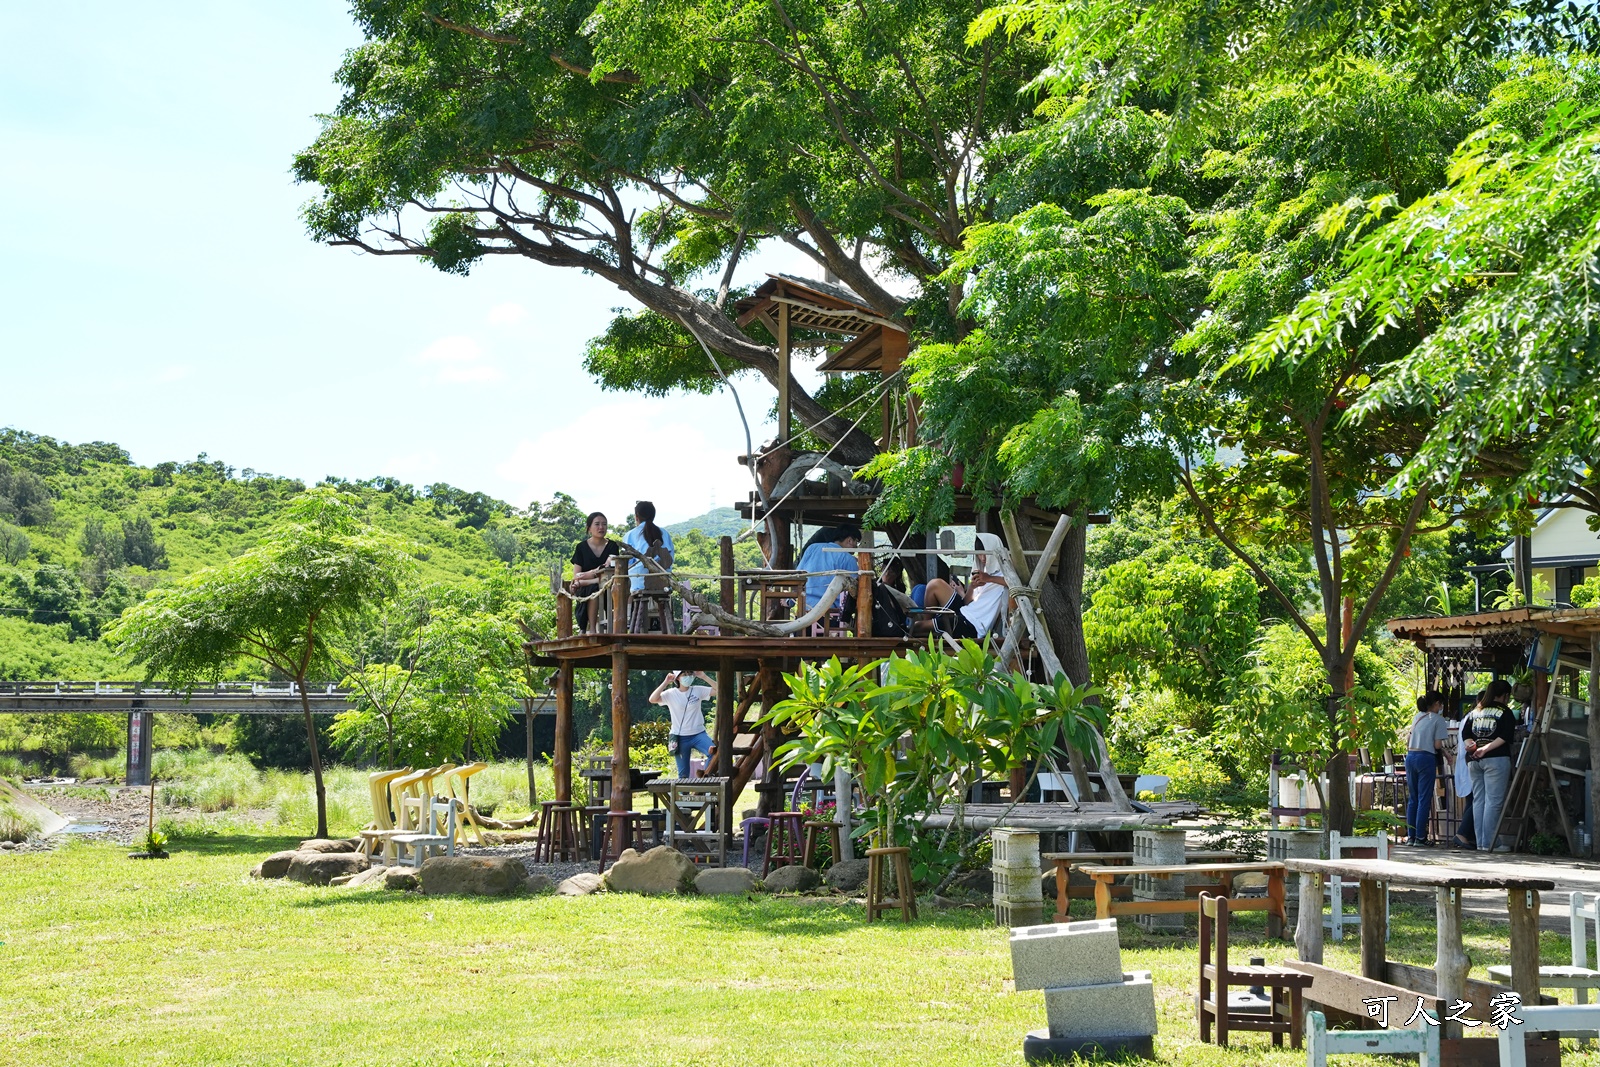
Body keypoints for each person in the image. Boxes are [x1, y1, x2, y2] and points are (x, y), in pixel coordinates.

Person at [916, 532, 1009, 641]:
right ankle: (927, 622)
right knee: (934, 584)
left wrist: (988, 578)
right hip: (963, 612)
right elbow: (967, 603)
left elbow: (1015, 583)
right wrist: (971, 588)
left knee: (917, 626)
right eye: (979, 554)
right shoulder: (983, 572)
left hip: (971, 625)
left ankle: (925, 627)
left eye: (985, 554)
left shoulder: (1005, 574)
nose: (982, 558)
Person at [1462, 679, 1518, 851]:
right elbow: (1505, 736)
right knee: (1493, 802)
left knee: (1479, 800)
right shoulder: (1505, 711)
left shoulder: (1476, 711)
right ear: (1505, 696)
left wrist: (1474, 747)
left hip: (1474, 760)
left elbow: (1466, 734)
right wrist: (1486, 749)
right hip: (1496, 759)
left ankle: (1481, 842)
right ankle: (1491, 843)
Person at [1403, 691, 1449, 846]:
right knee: (1424, 799)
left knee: (1413, 799)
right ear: (1436, 703)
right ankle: (1421, 837)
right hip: (1426, 759)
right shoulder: (1438, 720)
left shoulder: (1417, 717)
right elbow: (1437, 745)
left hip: (1410, 757)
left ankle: (1411, 836)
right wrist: (1444, 751)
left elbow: (1409, 738)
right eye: (1441, 704)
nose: (1441, 707)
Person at [650, 669, 714, 778]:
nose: (688, 676)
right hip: (680, 737)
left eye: (689, 673)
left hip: (699, 734)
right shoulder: (671, 693)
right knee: (683, 775)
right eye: (684, 674)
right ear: (677, 677)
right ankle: (683, 795)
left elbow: (719, 689)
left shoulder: (697, 690)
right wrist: (665, 682)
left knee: (714, 752)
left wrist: (704, 676)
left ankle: (705, 780)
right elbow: (652, 699)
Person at [570, 512, 620, 632]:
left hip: (608, 584)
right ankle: (591, 628)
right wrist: (591, 576)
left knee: (602, 585)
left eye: (604, 524)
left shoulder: (612, 546)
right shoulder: (581, 547)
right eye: (597, 524)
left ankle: (611, 629)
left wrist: (587, 577)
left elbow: (613, 572)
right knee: (592, 588)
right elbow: (577, 576)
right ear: (589, 528)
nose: (601, 527)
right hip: (588, 587)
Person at [796, 525, 862, 610]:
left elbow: (797, 576)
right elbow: (856, 590)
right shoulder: (848, 559)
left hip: (804, 609)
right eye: (856, 542)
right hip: (831, 613)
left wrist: (789, 601)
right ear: (850, 540)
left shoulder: (812, 548)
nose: (856, 547)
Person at [622, 501, 674, 592]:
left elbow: (626, 562)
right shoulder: (665, 534)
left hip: (639, 582)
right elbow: (670, 559)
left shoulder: (630, 535)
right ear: (653, 515)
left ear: (636, 516)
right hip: (664, 583)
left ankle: (629, 606)